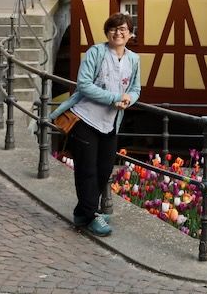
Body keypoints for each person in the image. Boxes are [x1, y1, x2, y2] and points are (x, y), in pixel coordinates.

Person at [50, 12, 140, 236]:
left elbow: (135, 89)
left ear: (130, 34)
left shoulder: (133, 59)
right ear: (107, 32)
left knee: (103, 171)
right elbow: (84, 85)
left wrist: (129, 99)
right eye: (113, 29)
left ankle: (83, 214)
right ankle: (91, 216)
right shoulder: (96, 52)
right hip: (85, 119)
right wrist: (113, 98)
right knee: (87, 170)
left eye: (123, 29)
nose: (118, 33)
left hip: (110, 123)